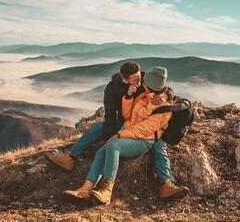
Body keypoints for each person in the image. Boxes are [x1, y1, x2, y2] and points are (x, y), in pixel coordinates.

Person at [44, 62, 188, 200]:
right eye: (136, 79)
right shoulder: (119, 89)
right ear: (125, 81)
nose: (140, 81)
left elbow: (162, 94)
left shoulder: (153, 92)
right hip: (128, 125)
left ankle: (110, 190)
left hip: (142, 134)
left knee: (156, 145)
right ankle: (84, 187)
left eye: (141, 79)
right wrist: (128, 98)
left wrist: (166, 94)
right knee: (103, 144)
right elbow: (117, 115)